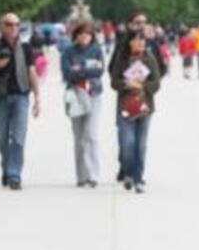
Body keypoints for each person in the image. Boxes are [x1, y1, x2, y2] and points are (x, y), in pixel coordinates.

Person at [0, 13, 42, 190]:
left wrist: (37, 97)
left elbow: (31, 72)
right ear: (2, 26)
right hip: (0, 98)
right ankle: (6, 167)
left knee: (18, 137)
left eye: (16, 24)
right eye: (9, 24)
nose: (13, 27)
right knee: (1, 138)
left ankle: (14, 174)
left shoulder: (25, 46)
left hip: (21, 96)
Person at [110, 31, 161, 194]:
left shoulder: (150, 58)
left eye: (142, 40)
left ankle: (138, 178)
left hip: (145, 106)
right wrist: (127, 84)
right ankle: (128, 172)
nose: (140, 43)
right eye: (136, 40)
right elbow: (114, 82)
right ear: (129, 42)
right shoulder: (122, 58)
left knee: (141, 144)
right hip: (125, 106)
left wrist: (143, 86)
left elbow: (156, 83)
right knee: (127, 142)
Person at [61, 22, 105, 188]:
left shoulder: (97, 50)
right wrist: (87, 68)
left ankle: (94, 174)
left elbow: (99, 71)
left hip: (93, 94)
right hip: (75, 96)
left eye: (87, 34)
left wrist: (79, 68)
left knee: (91, 134)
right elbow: (67, 73)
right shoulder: (68, 52)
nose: (84, 37)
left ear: (92, 36)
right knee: (79, 137)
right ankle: (81, 176)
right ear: (76, 36)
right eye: (80, 34)